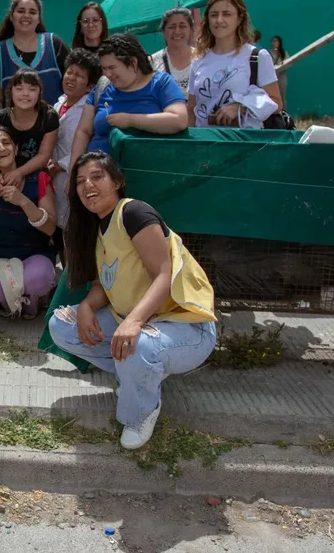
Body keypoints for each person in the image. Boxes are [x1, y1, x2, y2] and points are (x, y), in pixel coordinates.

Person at [49, 152, 217, 449]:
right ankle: (137, 379)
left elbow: (163, 275)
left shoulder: (133, 213)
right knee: (62, 325)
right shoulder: (97, 228)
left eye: (97, 176)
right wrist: (87, 306)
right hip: (134, 320)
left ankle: (140, 412)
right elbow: (106, 281)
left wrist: (134, 322)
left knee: (136, 344)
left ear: (116, 181)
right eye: (80, 181)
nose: (88, 185)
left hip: (186, 326)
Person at [0, 124, 57, 320]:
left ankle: (29, 303)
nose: (1, 148)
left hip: (33, 252)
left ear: (16, 148)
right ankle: (9, 300)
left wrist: (23, 201)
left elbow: (50, 227)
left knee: (38, 279)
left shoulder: (39, 178)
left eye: (6, 143)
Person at [73, 34, 188, 157]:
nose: (107, 74)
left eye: (112, 67)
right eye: (104, 68)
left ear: (133, 62)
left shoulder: (161, 83)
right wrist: (74, 171)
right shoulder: (102, 87)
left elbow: (179, 120)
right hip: (98, 170)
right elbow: (83, 132)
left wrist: (130, 120)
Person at [187, 0, 282, 129]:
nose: (219, 20)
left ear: (239, 19)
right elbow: (191, 108)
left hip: (243, 143)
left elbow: (276, 103)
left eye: (226, 14)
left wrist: (240, 108)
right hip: (205, 143)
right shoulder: (198, 60)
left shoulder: (256, 56)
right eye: (214, 15)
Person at [0, 0, 69, 113]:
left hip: (56, 127)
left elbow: (73, 87)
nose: (26, 16)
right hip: (13, 129)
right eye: (21, 11)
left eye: (32, 12)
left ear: (39, 19)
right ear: (11, 16)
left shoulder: (55, 45)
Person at [52, 49, 102, 229]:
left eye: (79, 75)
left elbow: (86, 145)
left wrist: (60, 164)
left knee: (72, 225)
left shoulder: (87, 110)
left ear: (89, 86)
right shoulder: (59, 103)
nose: (71, 78)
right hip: (53, 176)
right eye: (69, 72)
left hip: (70, 173)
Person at [0, 68, 59, 187]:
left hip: (35, 175)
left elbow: (44, 155)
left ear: (39, 93)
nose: (25, 94)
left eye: (32, 89)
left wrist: (19, 173)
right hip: (2, 176)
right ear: (11, 92)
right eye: (19, 89)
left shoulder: (49, 117)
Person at [149, 7, 195, 95]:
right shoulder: (151, 62)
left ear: (191, 30)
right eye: (172, 27)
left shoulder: (203, 57)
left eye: (182, 26)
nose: (177, 31)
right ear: (163, 31)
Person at [270, 35, 288, 112]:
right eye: (272, 41)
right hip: (271, 78)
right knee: (272, 97)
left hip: (281, 77)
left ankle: (284, 114)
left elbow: (287, 64)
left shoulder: (284, 53)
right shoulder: (268, 53)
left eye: (275, 41)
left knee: (282, 96)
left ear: (279, 42)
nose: (273, 43)